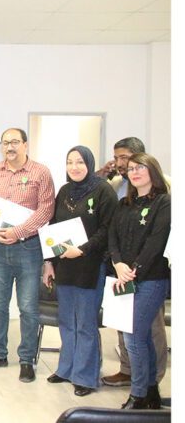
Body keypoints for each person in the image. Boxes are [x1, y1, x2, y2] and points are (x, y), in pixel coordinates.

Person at [0, 128, 54, 382]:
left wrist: (17, 232)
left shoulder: (40, 172)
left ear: (25, 145)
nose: (10, 147)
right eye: (5, 142)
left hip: (28, 248)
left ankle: (27, 359)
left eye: (15, 142)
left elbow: (46, 210)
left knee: (28, 307)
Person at [41, 146, 117, 396]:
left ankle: (85, 376)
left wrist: (82, 250)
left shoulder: (104, 190)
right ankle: (66, 369)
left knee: (85, 323)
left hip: (90, 265)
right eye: (70, 162)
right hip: (65, 265)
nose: (74, 167)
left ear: (89, 164)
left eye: (80, 162)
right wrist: (49, 261)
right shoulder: (64, 191)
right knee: (66, 321)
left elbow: (107, 230)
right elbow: (53, 226)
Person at [97, 137, 169, 388]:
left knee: (149, 329)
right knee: (124, 326)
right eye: (117, 159)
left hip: (149, 274)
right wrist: (118, 264)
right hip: (120, 271)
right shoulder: (118, 186)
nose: (120, 164)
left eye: (125, 158)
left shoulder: (165, 192)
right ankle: (128, 370)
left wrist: (135, 269)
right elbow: (113, 233)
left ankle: (152, 381)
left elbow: (157, 239)